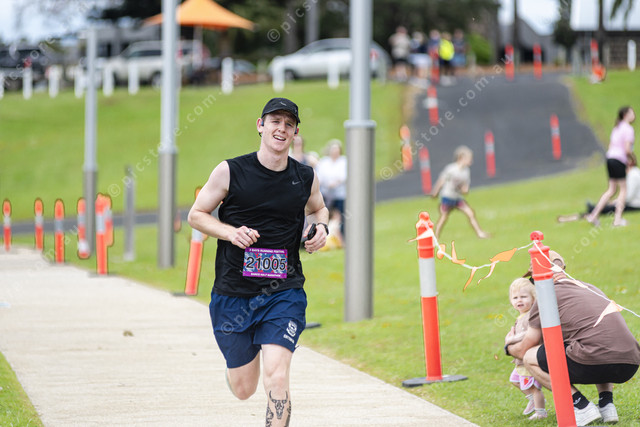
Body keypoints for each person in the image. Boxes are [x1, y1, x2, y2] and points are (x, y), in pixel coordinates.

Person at [188, 97, 329, 427]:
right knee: (244, 389)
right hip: (233, 294)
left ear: (295, 133)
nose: (281, 129)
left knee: (276, 376)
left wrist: (321, 228)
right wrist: (230, 232)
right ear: (260, 125)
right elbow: (196, 215)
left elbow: (319, 209)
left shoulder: (305, 177)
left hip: (284, 291)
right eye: (275, 121)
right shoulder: (230, 171)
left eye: (289, 124)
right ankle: (237, 369)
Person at [506, 251, 640, 425]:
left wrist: (509, 346)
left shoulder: (547, 296)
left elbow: (525, 348)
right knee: (595, 341)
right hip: (630, 363)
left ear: (538, 275)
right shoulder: (590, 287)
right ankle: (607, 404)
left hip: (595, 361)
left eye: (533, 279)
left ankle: (581, 406)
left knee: (529, 357)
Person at [586, 106, 636, 227]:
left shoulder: (617, 127)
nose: (634, 115)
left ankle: (594, 215)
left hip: (610, 158)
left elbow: (611, 145)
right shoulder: (628, 129)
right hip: (619, 159)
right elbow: (627, 149)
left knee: (611, 189)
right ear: (625, 115)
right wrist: (632, 159)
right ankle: (617, 219)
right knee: (623, 189)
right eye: (631, 113)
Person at [504, 278, 547, 420]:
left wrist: (511, 339)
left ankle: (540, 411)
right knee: (515, 380)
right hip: (520, 360)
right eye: (515, 298)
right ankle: (533, 400)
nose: (519, 300)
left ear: (533, 298)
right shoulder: (521, 316)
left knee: (534, 387)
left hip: (529, 357)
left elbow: (528, 334)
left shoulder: (530, 315)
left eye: (523, 297)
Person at [431, 145, 489, 240]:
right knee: (444, 217)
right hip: (447, 197)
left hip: (457, 198)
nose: (471, 161)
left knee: (470, 213)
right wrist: (435, 191)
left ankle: (479, 233)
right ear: (461, 158)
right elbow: (441, 181)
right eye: (469, 159)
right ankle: (435, 237)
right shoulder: (451, 169)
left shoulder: (466, 171)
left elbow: (465, 188)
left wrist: (464, 190)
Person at [557, 165, 640, 222]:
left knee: (607, 209)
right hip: (631, 203)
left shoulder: (633, 175)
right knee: (605, 208)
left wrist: (615, 201)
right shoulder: (633, 173)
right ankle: (573, 217)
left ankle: (590, 210)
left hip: (634, 205)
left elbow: (628, 197)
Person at [316, 138, 347, 235]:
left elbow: (343, 176)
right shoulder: (324, 162)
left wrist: (335, 183)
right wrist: (326, 184)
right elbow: (319, 176)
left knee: (341, 216)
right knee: (325, 215)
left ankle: (341, 235)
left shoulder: (343, 161)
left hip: (340, 194)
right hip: (326, 194)